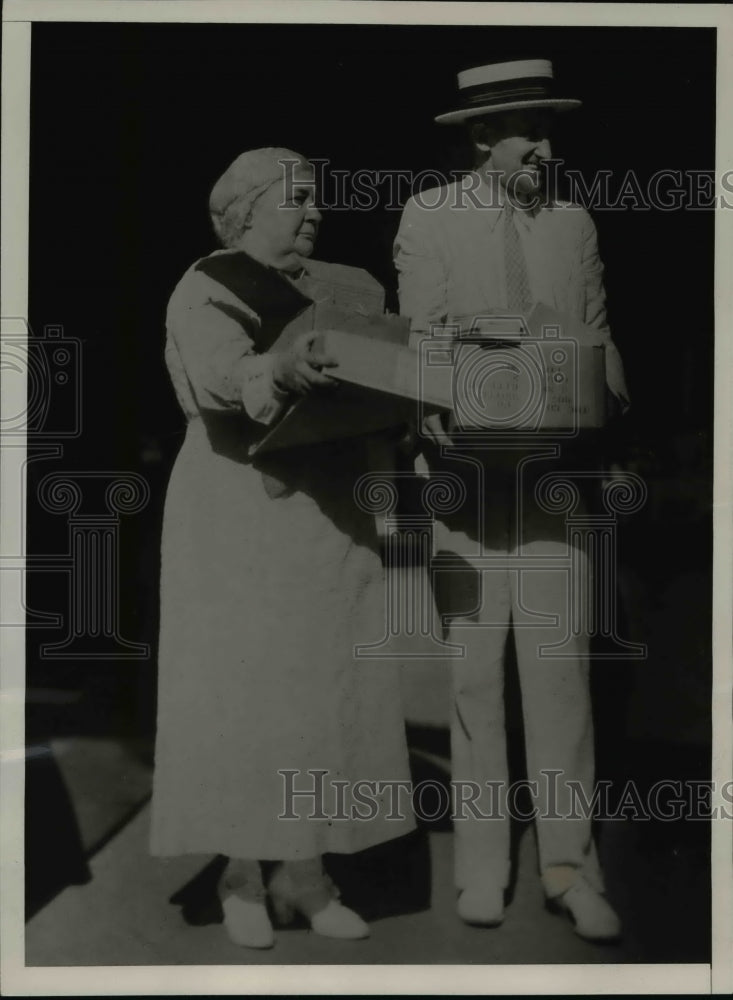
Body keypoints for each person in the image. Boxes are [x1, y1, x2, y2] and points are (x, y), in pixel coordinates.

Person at [150, 147, 414, 949]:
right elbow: (222, 375)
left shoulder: (333, 287)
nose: (313, 213)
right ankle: (240, 874)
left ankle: (304, 873)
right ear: (243, 211)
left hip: (328, 508)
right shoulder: (209, 284)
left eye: (316, 201)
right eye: (294, 201)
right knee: (247, 694)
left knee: (322, 686)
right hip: (238, 512)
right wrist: (284, 367)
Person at [394, 60, 628, 941]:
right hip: (463, 481)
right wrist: (435, 409)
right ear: (479, 136)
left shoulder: (571, 221)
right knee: (473, 676)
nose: (545, 144)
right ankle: (482, 868)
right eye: (528, 126)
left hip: (556, 476)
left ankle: (571, 869)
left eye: (548, 125)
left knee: (560, 674)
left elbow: (598, 334)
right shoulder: (429, 214)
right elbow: (421, 333)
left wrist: (605, 398)